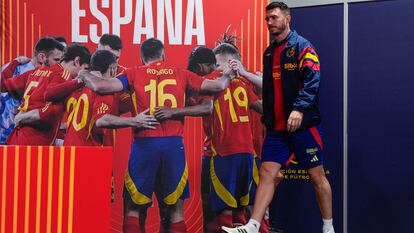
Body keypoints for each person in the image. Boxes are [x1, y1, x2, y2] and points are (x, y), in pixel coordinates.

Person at [78, 38, 232, 233]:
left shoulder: (133, 73)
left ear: (142, 57)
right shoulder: (181, 74)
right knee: (175, 209)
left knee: (133, 208)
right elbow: (217, 87)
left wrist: (83, 73)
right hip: (174, 147)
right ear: (163, 55)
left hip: (144, 145)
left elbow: (101, 87)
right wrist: (229, 74)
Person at [222, 2, 335, 233]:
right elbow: (271, 90)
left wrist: (299, 109)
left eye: (274, 17)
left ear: (287, 18)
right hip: (277, 129)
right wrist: (267, 120)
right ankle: (252, 226)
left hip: (303, 126)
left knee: (317, 178)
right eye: (267, 19)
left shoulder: (303, 47)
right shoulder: (269, 51)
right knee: (267, 173)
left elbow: (313, 80)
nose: (270, 23)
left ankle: (328, 228)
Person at [60, 50, 158, 146]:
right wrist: (135, 121)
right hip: (88, 151)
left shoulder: (77, 86)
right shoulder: (104, 92)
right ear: (112, 69)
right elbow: (102, 120)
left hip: (68, 150)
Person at [1, 43, 91, 145]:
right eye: (86, 69)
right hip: (35, 142)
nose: (86, 75)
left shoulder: (36, 71)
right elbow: (50, 112)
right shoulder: (65, 77)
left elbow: (3, 85)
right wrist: (23, 117)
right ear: (77, 61)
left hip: (16, 138)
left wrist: (15, 62)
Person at [0, 37, 64, 144]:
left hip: (15, 135)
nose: (59, 65)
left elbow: (3, 84)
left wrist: (15, 62)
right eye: (57, 60)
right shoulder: (52, 76)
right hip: (26, 135)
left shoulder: (29, 72)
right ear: (42, 57)